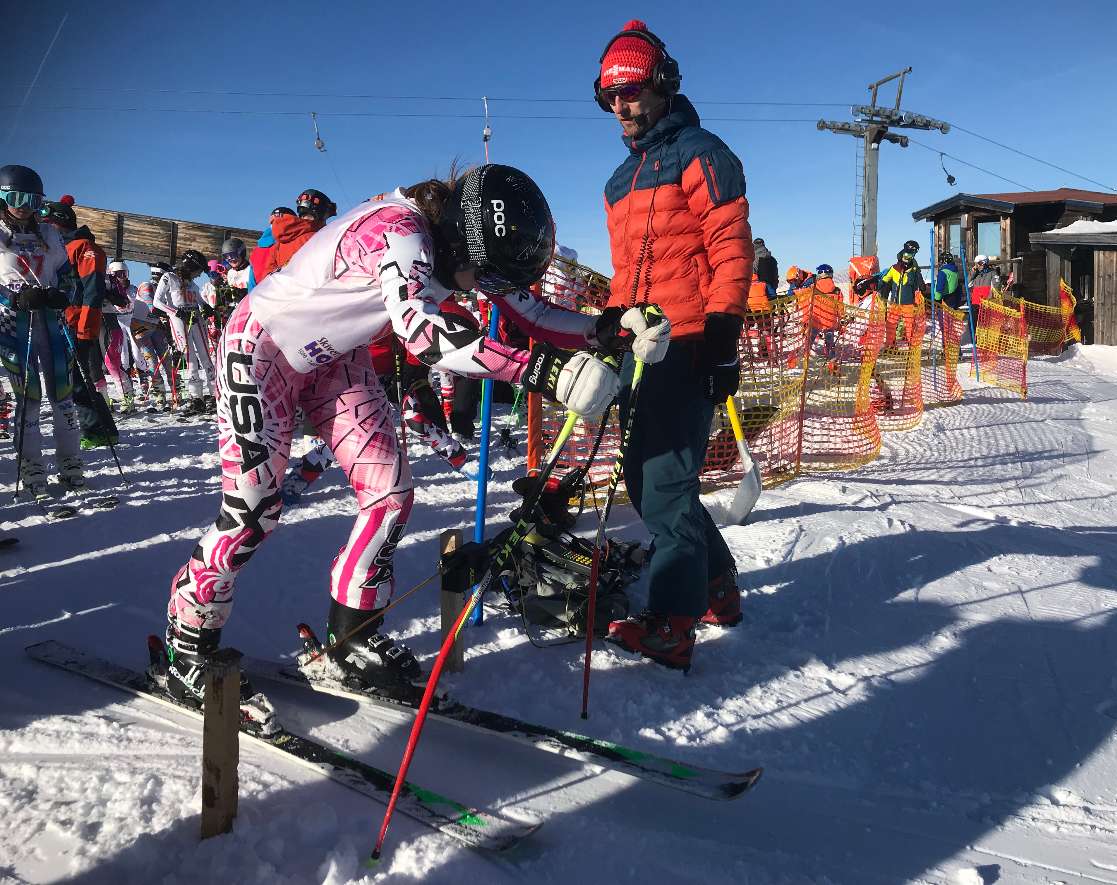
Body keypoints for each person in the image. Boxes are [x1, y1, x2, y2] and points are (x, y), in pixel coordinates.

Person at [163, 164, 670, 711]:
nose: (486, 290)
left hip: (334, 360)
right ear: (460, 242)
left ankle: (351, 638)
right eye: (484, 276)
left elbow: (532, 312)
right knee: (253, 508)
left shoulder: (454, 238)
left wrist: (609, 327)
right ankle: (187, 643)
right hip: (260, 349)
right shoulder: (399, 230)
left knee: (390, 495)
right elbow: (423, 332)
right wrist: (544, 372)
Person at [591, 20, 753, 671]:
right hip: (641, 349)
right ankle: (716, 586)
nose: (622, 108)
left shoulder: (702, 152)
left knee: (662, 488)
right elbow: (626, 270)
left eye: (631, 92)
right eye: (610, 97)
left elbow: (730, 246)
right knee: (650, 480)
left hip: (686, 345)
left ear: (661, 86)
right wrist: (609, 321)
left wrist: (721, 337)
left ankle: (672, 620)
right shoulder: (618, 182)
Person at [0, 165, 86, 499]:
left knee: (63, 396)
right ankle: (31, 464)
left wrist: (62, 293)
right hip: (12, 325)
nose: (24, 207)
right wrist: (12, 297)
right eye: (16, 198)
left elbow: (68, 276)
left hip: (51, 323)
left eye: (33, 201)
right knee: (29, 398)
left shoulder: (49, 234)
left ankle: (70, 461)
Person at [39, 195, 121, 451]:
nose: (43, 228)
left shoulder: (85, 247)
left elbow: (92, 292)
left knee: (75, 379)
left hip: (77, 325)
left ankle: (97, 430)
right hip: (62, 321)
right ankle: (103, 428)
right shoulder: (60, 248)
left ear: (58, 223)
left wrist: (85, 329)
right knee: (74, 379)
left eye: (47, 223)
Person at [154, 249, 215, 416]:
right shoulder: (169, 277)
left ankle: (214, 395)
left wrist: (207, 307)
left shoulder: (191, 282)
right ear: (190, 266)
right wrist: (175, 312)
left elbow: (199, 299)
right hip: (180, 320)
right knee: (190, 358)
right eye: (198, 271)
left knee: (205, 356)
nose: (198, 275)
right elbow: (157, 302)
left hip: (195, 318)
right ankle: (197, 398)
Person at [131, 262, 178, 410]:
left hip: (155, 327)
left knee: (167, 360)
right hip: (140, 327)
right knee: (152, 363)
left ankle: (177, 392)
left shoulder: (165, 291)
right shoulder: (147, 286)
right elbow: (153, 308)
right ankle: (160, 395)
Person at [101, 260, 137, 414]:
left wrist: (110, 295)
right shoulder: (95, 278)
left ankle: (127, 398)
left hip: (113, 323)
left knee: (113, 364)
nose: (121, 277)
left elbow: (125, 302)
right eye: (118, 274)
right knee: (97, 365)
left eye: (124, 274)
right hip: (96, 322)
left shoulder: (119, 286)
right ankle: (103, 399)